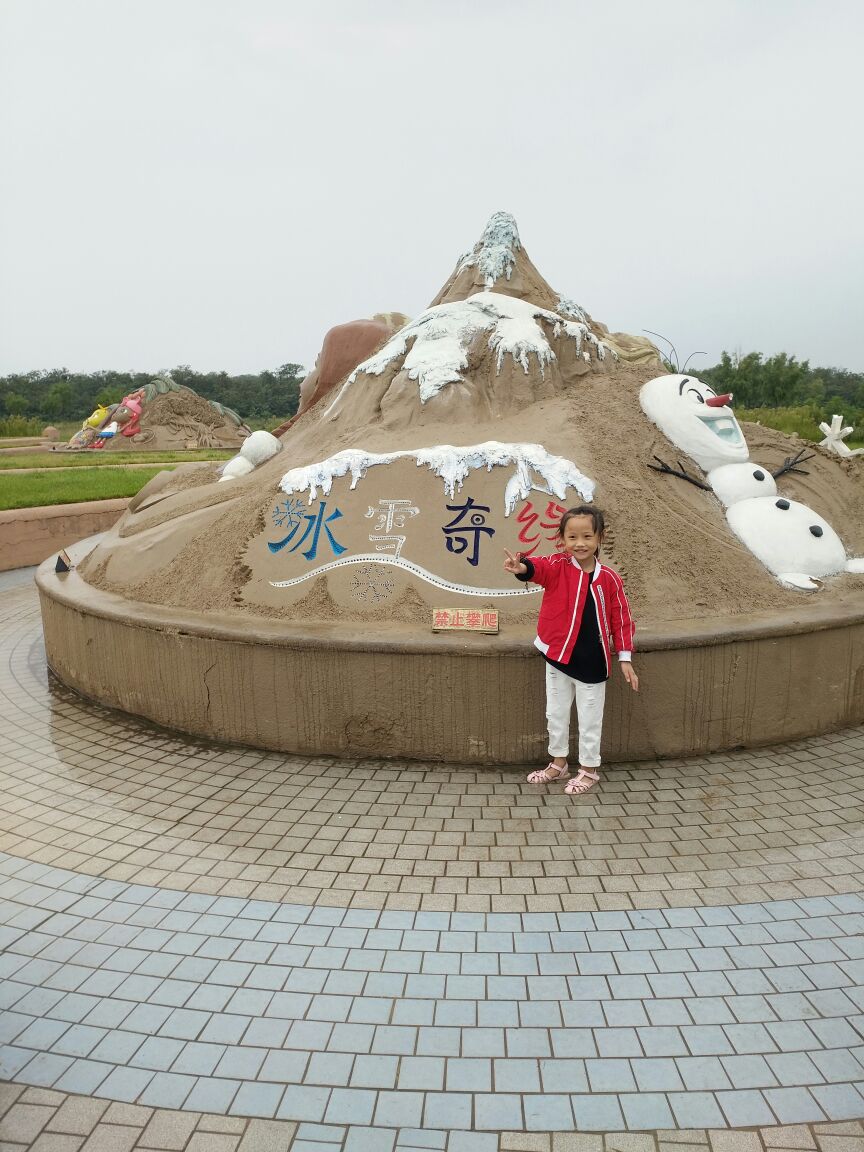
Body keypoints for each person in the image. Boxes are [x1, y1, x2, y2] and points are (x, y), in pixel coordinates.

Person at [503, 504, 638, 795]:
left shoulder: (610, 579)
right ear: (562, 540)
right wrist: (522, 568)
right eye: (572, 537)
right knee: (556, 713)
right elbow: (537, 568)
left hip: (592, 663)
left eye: (587, 536)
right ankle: (558, 763)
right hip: (558, 656)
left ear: (599, 538)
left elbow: (622, 618)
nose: (580, 543)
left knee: (590, 719)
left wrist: (625, 657)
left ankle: (589, 770)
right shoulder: (557, 566)